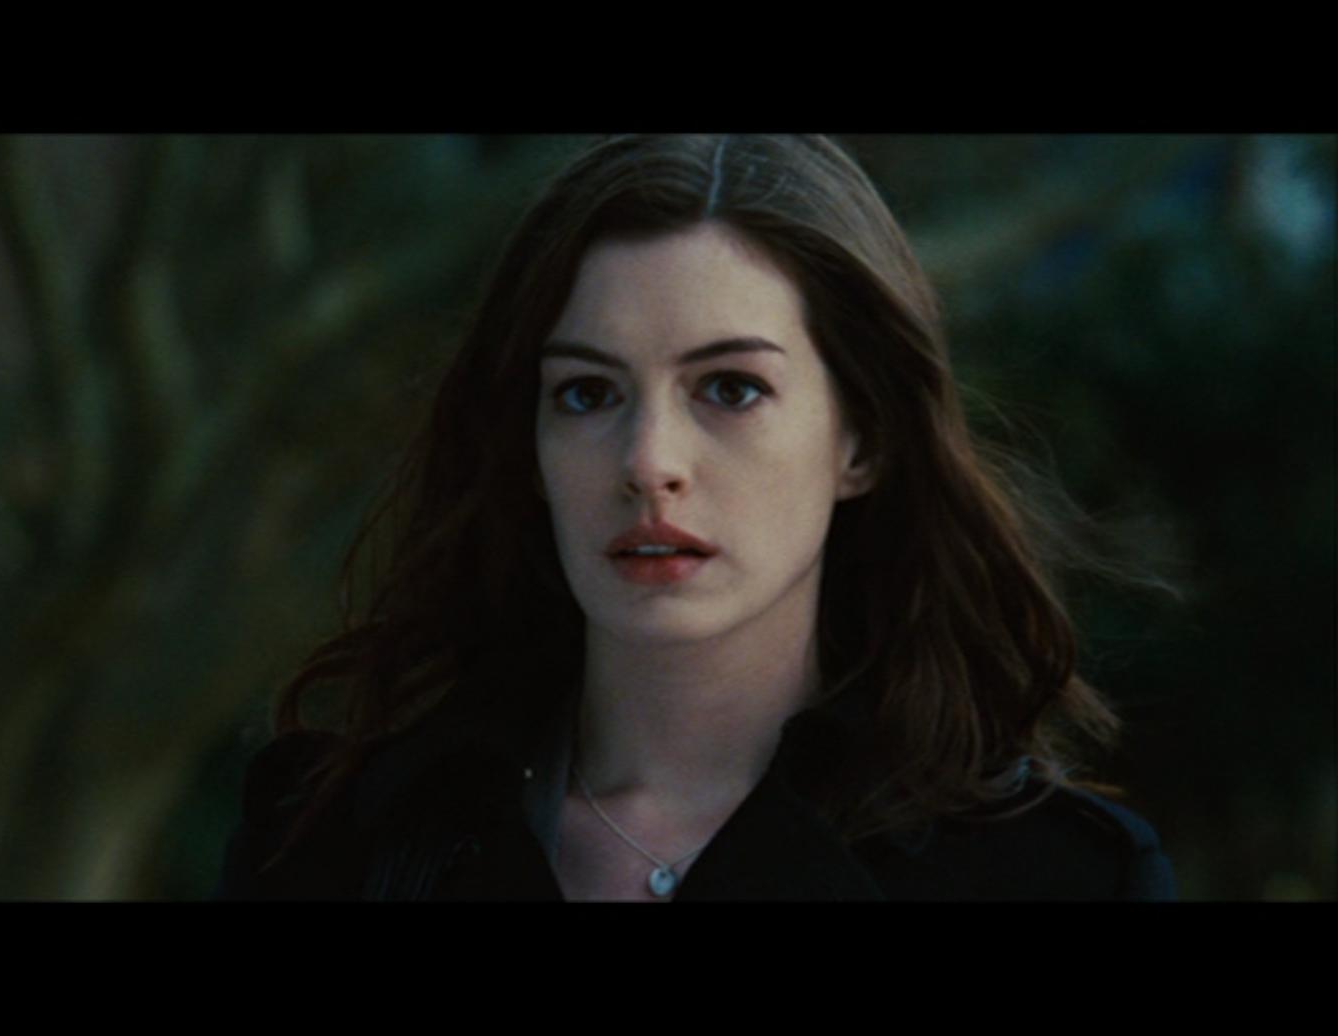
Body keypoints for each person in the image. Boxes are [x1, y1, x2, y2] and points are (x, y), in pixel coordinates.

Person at [216, 134, 1176, 900]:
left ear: (863, 440)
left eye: (730, 388)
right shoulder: (330, 842)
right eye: (588, 394)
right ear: (528, 447)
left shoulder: (1053, 878)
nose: (649, 464)